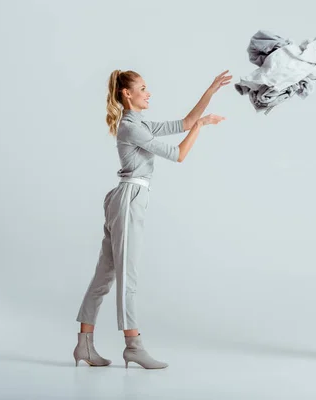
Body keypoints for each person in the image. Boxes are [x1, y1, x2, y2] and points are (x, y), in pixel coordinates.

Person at [72, 69, 231, 369]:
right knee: (125, 277)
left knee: (104, 276)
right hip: (129, 199)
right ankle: (133, 345)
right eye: (143, 88)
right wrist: (201, 127)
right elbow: (178, 153)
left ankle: (84, 345)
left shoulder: (139, 123)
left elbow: (183, 123)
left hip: (126, 199)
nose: (149, 93)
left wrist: (210, 91)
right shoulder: (131, 127)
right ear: (127, 94)